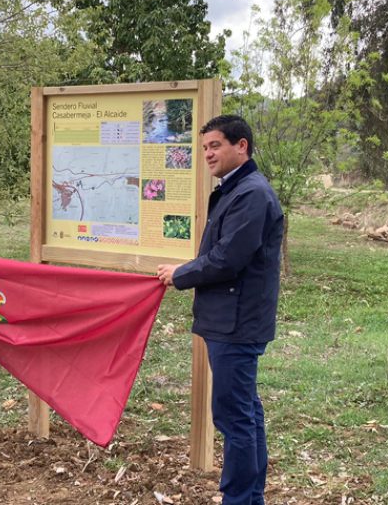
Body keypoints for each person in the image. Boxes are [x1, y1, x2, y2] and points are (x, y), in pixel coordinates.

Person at [157, 115, 283, 505]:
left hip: (236, 323)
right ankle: (251, 496)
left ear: (241, 146)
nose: (208, 154)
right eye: (205, 147)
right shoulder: (236, 189)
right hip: (230, 320)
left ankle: (240, 499)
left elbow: (228, 258)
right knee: (245, 413)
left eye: (215, 145)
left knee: (234, 418)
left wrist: (181, 274)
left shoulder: (252, 194)